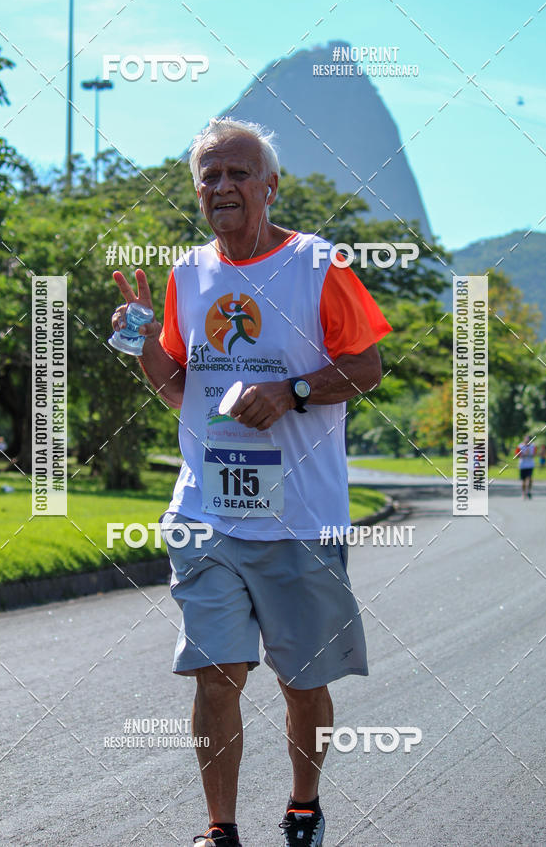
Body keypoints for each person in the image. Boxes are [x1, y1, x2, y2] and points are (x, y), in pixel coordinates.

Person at [110, 118, 392, 847]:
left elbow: (367, 369)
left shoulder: (318, 264)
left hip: (300, 514)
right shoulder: (185, 276)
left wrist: (293, 393)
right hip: (208, 510)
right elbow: (178, 391)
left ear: (270, 187)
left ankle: (303, 804)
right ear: (197, 193)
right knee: (215, 673)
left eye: (239, 174)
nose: (223, 186)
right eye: (210, 175)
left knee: (301, 682)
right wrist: (145, 342)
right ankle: (219, 829)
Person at [515, 433, 536, 499]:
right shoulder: (520, 446)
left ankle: (529, 491)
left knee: (529, 479)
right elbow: (516, 455)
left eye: (528, 439)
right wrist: (523, 454)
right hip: (522, 465)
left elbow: (535, 454)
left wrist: (530, 453)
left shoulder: (533, 446)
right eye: (526, 439)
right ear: (524, 439)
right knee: (523, 481)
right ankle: (524, 493)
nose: (527, 440)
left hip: (530, 465)